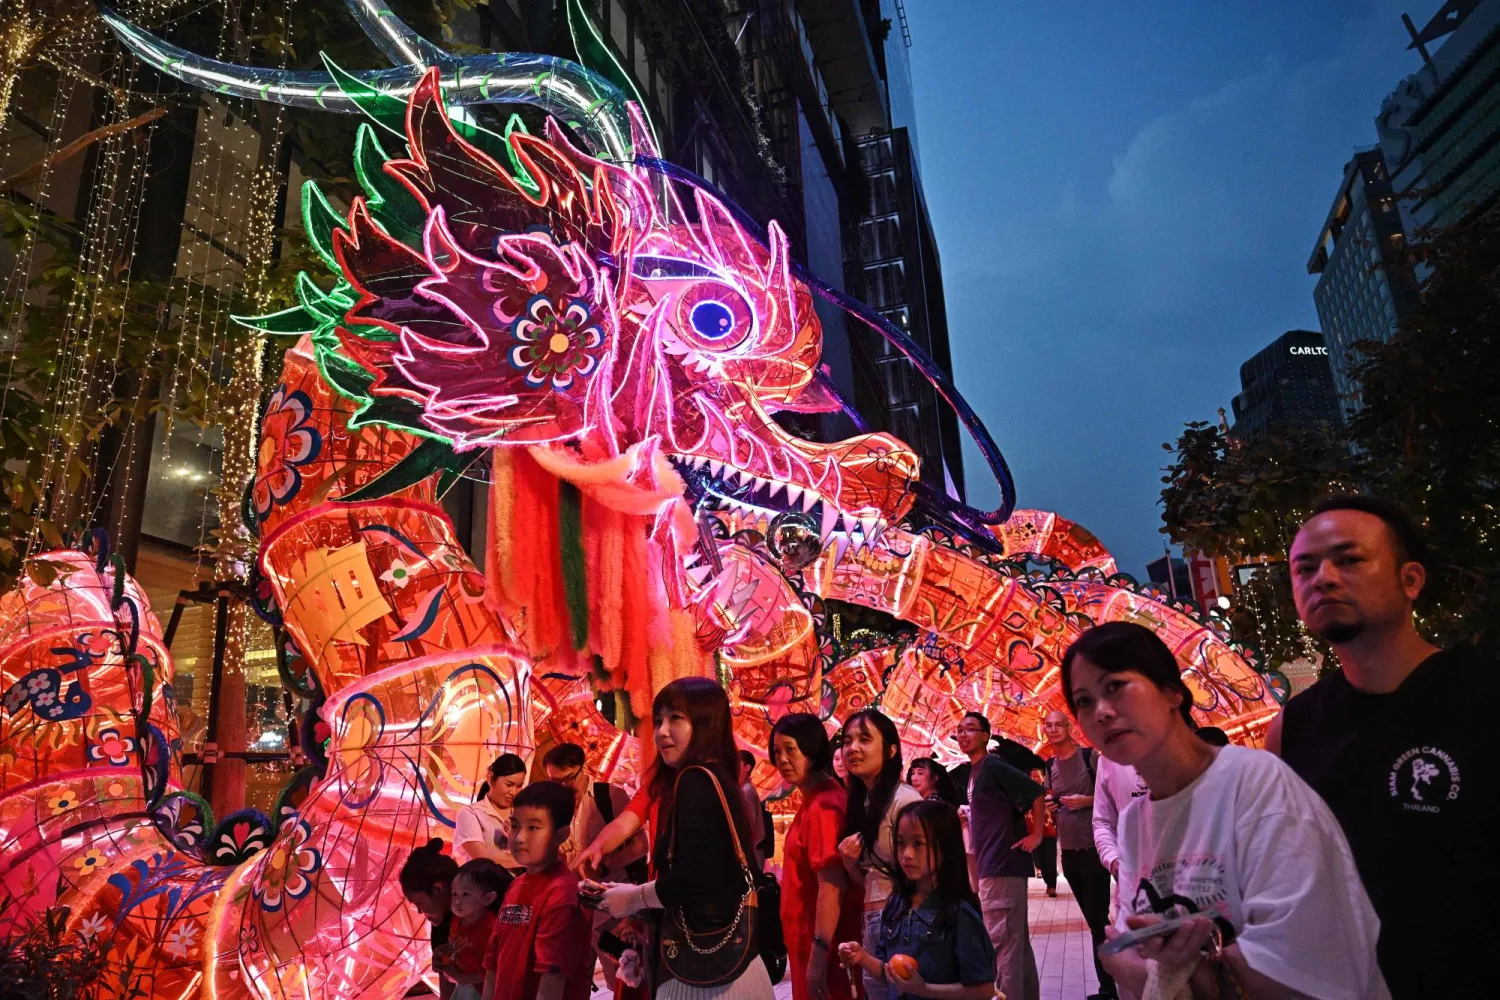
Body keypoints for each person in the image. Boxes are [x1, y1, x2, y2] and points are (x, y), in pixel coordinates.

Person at [1064, 621, 1388, 999]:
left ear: (1172, 693)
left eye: (1115, 686)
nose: (1101, 711)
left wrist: (1180, 968)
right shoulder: (1136, 823)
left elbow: (1306, 961)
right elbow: (1123, 950)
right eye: (1084, 701)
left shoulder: (1255, 785)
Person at [1269, 495, 1495, 998]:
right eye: (1304, 568)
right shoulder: (1293, 727)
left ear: (1410, 580)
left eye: (1349, 560)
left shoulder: (1482, 694)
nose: (1322, 578)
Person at [595, 677, 775, 997]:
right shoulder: (715, 777)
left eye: (676, 718)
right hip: (729, 964)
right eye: (659, 719)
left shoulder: (695, 781)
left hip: (705, 977)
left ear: (706, 723)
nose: (662, 731)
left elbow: (695, 878)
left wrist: (634, 898)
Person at [836, 800, 995, 1000]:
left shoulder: (958, 913)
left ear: (945, 848)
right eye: (901, 843)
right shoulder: (896, 904)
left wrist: (924, 989)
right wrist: (862, 957)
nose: (907, 854)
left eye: (918, 843)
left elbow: (984, 990)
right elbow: (892, 975)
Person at [771, 713, 861, 1000]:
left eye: (790, 749)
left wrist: (819, 956)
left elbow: (831, 886)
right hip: (810, 945)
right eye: (777, 751)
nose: (782, 759)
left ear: (812, 749)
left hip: (823, 947)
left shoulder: (824, 806)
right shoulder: (817, 799)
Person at [954, 711, 1044, 1000]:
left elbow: (1036, 793)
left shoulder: (993, 765)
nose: (963, 734)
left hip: (1002, 863)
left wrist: (1037, 835)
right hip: (993, 864)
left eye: (970, 729)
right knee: (1015, 944)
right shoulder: (975, 772)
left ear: (985, 735)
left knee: (1002, 945)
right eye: (959, 730)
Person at [836, 709, 923, 1000]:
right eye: (847, 741)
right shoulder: (862, 803)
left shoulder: (905, 800)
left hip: (908, 925)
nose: (852, 749)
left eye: (864, 739)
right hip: (875, 922)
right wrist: (849, 861)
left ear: (891, 750)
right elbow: (868, 881)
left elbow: (928, 875)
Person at [481, 781, 594, 1000]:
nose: (520, 838)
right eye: (515, 826)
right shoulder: (516, 884)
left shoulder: (562, 892)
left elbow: (552, 977)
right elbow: (494, 958)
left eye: (533, 827)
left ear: (561, 835)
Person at [1041, 709, 1115, 1000]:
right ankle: (1111, 984)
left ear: (1069, 727)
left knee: (1098, 923)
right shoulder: (1050, 765)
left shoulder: (1090, 758)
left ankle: (1110, 988)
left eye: (1059, 724)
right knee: (1095, 922)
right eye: (1049, 725)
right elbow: (1054, 798)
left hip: (1093, 849)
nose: (1054, 729)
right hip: (1069, 854)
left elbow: (1112, 796)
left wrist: (1086, 801)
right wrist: (1050, 805)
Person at [436, 859, 510, 1000]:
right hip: (463, 985)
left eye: (465, 894)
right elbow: (454, 946)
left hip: (484, 989)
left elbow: (499, 969)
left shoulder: (492, 928)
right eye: (454, 894)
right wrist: (445, 960)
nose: (457, 901)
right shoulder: (456, 921)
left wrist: (464, 977)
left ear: (488, 898)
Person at [400, 839, 460, 1000]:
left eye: (419, 904)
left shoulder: (484, 911)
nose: (420, 912)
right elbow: (446, 984)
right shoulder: (441, 926)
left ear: (437, 889)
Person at [455, 753, 527, 870]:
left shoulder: (524, 814)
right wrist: (531, 862)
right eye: (509, 784)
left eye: (519, 786)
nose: (513, 792)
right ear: (490, 778)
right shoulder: (471, 814)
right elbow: (484, 861)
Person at [738, 749, 772, 865]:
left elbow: (748, 829)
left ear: (747, 767)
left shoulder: (746, 792)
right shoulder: (744, 790)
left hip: (751, 857)